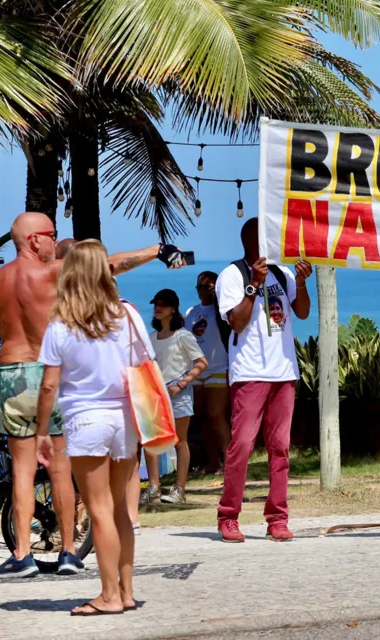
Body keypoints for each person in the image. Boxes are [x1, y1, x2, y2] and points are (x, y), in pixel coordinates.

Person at [0, 212, 185, 577]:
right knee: (60, 465)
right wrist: (156, 249)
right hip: (48, 374)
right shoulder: (54, 272)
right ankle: (69, 550)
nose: (55, 241)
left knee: (21, 470)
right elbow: (108, 266)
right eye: (51, 235)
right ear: (35, 240)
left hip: (12, 374)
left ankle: (22, 553)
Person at [35, 240, 151, 615]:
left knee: (98, 509)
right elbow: (142, 365)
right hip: (124, 419)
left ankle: (109, 595)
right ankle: (127, 590)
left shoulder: (61, 325)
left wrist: (40, 430)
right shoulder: (125, 316)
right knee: (120, 509)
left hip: (86, 420)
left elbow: (50, 384)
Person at [215, 218, 312, 542]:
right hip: (250, 372)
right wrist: (254, 284)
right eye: (266, 237)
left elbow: (301, 312)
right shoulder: (232, 275)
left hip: (283, 372)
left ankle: (277, 518)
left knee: (280, 448)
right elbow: (237, 323)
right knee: (241, 445)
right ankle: (228, 516)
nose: (274, 242)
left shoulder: (283, 273)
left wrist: (301, 282)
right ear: (250, 241)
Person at [143, 290, 207, 504]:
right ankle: (154, 487)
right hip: (156, 392)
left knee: (180, 441)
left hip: (177, 392)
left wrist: (183, 383)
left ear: (173, 309)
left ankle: (179, 489)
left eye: (163, 304)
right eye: (156, 304)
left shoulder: (183, 336)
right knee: (151, 440)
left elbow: (201, 362)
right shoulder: (152, 338)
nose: (157, 308)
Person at [185, 271, 231, 471]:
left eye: (211, 287)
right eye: (202, 287)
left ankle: (231, 464)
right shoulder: (190, 313)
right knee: (202, 417)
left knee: (216, 415)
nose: (206, 291)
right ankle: (212, 462)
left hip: (219, 366)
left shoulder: (223, 311)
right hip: (196, 371)